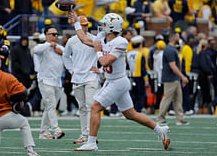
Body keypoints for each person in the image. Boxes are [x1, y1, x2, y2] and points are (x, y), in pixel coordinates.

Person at [69, 11, 170, 151]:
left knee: (95, 107)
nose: (102, 26)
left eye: (104, 24)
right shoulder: (103, 38)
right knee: (130, 114)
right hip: (113, 81)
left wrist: (98, 51)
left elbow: (105, 62)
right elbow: (84, 39)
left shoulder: (121, 42)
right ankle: (160, 130)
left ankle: (91, 142)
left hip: (117, 82)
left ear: (111, 27)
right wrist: (76, 23)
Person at [0, 50, 39, 156]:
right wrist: (17, 103)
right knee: (24, 123)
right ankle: (31, 151)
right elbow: (23, 92)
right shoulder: (6, 77)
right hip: (6, 116)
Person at [63, 15, 100, 144]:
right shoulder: (72, 41)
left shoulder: (94, 39)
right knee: (82, 108)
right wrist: (70, 69)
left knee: (91, 106)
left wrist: (100, 70)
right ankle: (85, 134)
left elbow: (104, 55)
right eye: (83, 25)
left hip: (91, 77)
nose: (85, 27)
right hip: (77, 77)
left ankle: (92, 135)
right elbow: (65, 56)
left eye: (86, 25)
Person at [33, 26, 65, 140]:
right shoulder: (43, 47)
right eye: (53, 34)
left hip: (57, 81)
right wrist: (49, 44)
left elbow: (69, 57)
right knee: (51, 105)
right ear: (47, 35)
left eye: (56, 34)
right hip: (45, 80)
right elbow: (35, 50)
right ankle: (56, 130)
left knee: (49, 107)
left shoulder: (60, 47)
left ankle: (43, 133)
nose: (56, 36)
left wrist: (61, 53)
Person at [156, 32, 190, 126]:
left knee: (178, 99)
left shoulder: (171, 49)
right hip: (170, 78)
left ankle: (180, 119)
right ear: (174, 38)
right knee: (167, 98)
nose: (179, 38)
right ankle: (160, 118)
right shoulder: (170, 49)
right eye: (178, 37)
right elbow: (173, 66)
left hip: (174, 78)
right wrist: (182, 77)